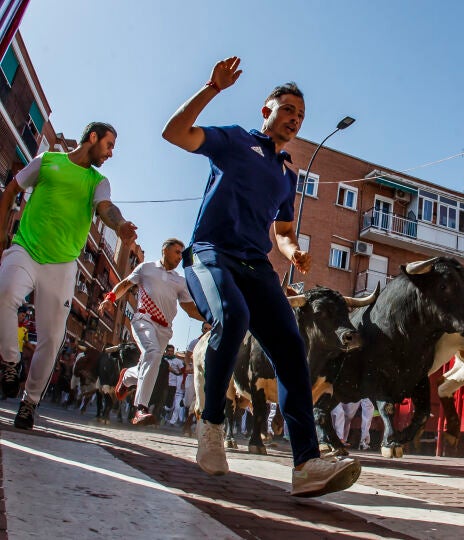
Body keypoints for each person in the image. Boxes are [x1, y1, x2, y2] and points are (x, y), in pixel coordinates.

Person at [162, 56, 361, 497]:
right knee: (231, 317)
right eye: (287, 109)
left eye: (301, 116)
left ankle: (306, 463)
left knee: (293, 349)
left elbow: (284, 230)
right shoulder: (233, 140)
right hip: (212, 254)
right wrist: (212, 87)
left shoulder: (286, 174)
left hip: (257, 266)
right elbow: (174, 133)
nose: (294, 120)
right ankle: (211, 425)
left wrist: (294, 252)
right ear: (266, 109)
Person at [0, 122, 137, 429]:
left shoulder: (98, 181)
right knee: (4, 293)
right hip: (25, 247)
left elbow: (105, 209)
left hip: (62, 264)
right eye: (109, 145)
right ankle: (10, 362)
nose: (111, 153)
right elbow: (12, 189)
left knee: (51, 338)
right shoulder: (48, 161)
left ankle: (29, 403)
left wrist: (121, 226)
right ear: (93, 137)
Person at [99, 238, 203, 425]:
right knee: (153, 353)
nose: (180, 257)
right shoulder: (146, 268)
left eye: (182, 253)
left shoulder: (180, 281)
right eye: (177, 252)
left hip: (164, 329)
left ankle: (128, 376)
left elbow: (189, 309)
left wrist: (212, 318)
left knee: (150, 362)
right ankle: (140, 408)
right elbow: (125, 284)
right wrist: (110, 298)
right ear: (165, 250)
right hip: (143, 320)